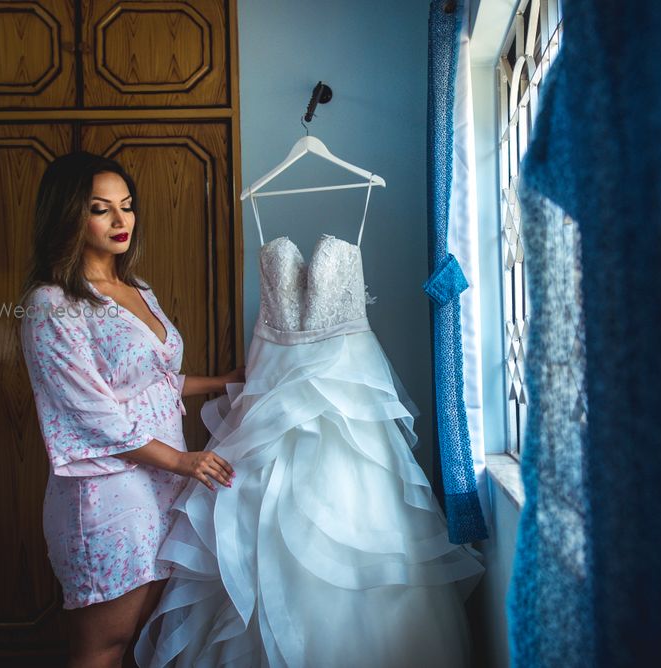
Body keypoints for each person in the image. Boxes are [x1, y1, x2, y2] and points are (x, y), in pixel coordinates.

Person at [134, 188, 485, 667]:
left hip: (344, 390)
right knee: (258, 524)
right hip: (271, 389)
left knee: (356, 514)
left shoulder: (364, 190)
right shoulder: (253, 201)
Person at [19, 151, 242, 668]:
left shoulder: (137, 288)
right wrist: (184, 461)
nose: (121, 221)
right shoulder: (51, 304)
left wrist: (224, 381)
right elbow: (91, 413)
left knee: (137, 638)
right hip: (108, 491)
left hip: (162, 483)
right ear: (69, 215)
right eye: (101, 209)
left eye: (127, 205)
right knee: (104, 645)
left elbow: (153, 383)